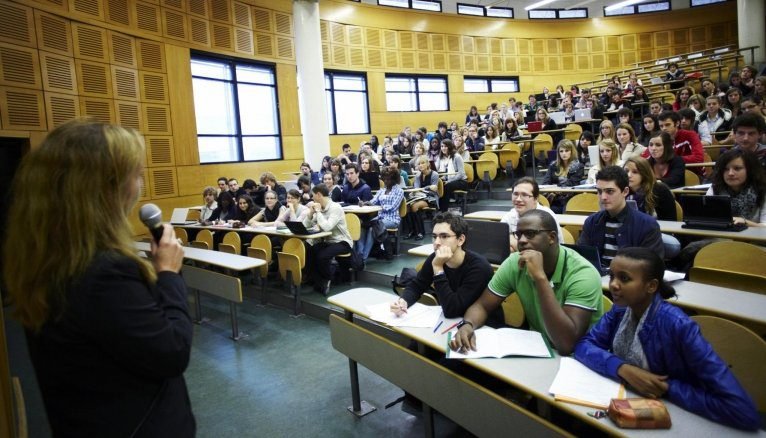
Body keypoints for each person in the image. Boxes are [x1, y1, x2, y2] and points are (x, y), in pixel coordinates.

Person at [3, 120, 195, 436]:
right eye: (135, 174)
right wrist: (169, 274)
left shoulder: (48, 258)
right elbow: (172, 351)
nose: (140, 185)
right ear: (105, 188)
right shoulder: (104, 271)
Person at [574, 247, 760, 431]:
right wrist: (623, 368)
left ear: (651, 286)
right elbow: (584, 345)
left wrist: (665, 387)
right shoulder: (621, 309)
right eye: (612, 275)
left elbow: (742, 411)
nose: (613, 284)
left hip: (674, 417)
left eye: (624, 278)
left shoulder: (678, 326)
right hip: (626, 404)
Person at [449, 209, 603, 355]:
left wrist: (540, 277)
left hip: (580, 359)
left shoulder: (583, 274)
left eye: (530, 234)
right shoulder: (515, 262)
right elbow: (482, 305)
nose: (521, 241)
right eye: (519, 234)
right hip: (537, 348)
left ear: (552, 237)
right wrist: (467, 324)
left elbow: (565, 344)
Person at [391, 213, 500, 325]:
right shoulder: (435, 258)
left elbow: (451, 310)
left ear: (460, 240)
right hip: (451, 322)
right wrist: (403, 301)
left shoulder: (479, 268)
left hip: (482, 327)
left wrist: (438, 269)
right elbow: (417, 286)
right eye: (434, 236)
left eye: (444, 236)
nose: (437, 242)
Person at [578, 166, 664, 269]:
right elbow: (581, 259)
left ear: (625, 191)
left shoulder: (647, 225)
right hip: (597, 280)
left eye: (609, 191)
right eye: (600, 191)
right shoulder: (591, 222)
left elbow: (652, 267)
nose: (603, 197)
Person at [304, 184, 353, 295]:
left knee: (322, 256)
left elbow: (327, 227)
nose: (312, 199)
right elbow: (305, 226)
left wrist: (317, 212)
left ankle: (328, 278)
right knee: (310, 251)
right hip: (328, 242)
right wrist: (310, 214)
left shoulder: (335, 208)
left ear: (319, 195)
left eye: (313, 196)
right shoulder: (318, 209)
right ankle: (317, 280)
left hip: (342, 241)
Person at [501, 177, 564, 252]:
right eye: (515, 194)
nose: (518, 199)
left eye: (524, 195)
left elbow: (552, 249)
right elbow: (500, 243)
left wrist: (512, 239)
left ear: (536, 198)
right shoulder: (509, 216)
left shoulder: (547, 216)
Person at [706, 149, 766, 226]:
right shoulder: (716, 187)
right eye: (726, 169)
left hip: (754, 236)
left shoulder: (762, 189)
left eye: (737, 168)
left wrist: (745, 222)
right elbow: (708, 219)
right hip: (722, 235)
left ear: (750, 170)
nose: (730, 173)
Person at [358, 167, 405, 261]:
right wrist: (365, 203)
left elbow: (393, 207)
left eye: (389, 179)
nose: (386, 181)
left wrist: (380, 208)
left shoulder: (399, 191)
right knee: (363, 227)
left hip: (392, 219)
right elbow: (373, 201)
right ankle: (360, 253)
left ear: (394, 179)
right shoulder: (382, 190)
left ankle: (363, 257)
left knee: (372, 229)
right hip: (380, 218)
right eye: (385, 179)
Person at [406, 155, 439, 241]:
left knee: (414, 206)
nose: (421, 165)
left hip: (431, 198)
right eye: (419, 164)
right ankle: (412, 231)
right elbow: (417, 189)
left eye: (423, 163)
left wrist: (425, 189)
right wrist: (427, 187)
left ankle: (421, 232)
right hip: (419, 196)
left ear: (427, 164)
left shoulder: (434, 174)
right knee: (407, 207)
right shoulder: (417, 175)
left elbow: (434, 189)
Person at [436, 139, 468, 212]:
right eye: (442, 146)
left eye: (445, 146)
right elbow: (436, 169)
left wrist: (449, 181)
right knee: (438, 185)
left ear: (449, 147)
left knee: (446, 186)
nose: (443, 148)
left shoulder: (457, 157)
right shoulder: (440, 157)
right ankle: (438, 208)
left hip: (461, 181)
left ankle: (443, 211)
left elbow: (461, 173)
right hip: (447, 180)